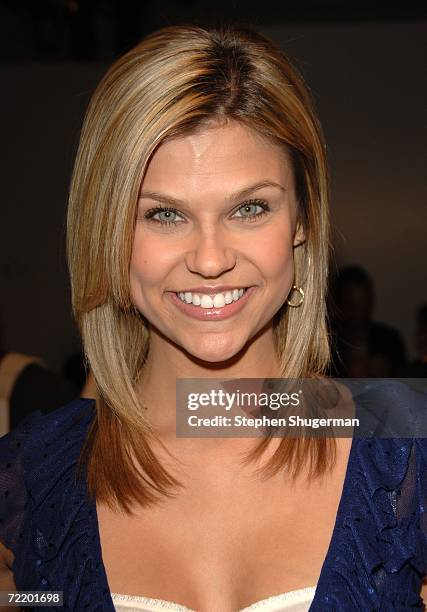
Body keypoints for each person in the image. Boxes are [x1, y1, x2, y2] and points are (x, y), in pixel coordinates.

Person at [0, 24, 426, 612]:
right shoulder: (28, 478)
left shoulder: (405, 451)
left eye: (250, 208)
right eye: (164, 215)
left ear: (302, 219)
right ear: (107, 233)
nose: (210, 259)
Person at [329, 266, 407, 377]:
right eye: (353, 306)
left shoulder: (389, 340)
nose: (362, 313)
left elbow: (405, 384)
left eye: (366, 303)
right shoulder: (327, 345)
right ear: (338, 304)